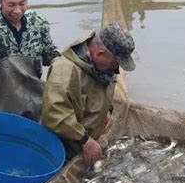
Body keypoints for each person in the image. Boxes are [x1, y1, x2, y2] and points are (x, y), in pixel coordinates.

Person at [42, 22, 135, 166]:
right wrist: (85, 141)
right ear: (99, 54)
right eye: (116, 62)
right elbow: (55, 115)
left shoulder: (103, 67)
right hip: (64, 149)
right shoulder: (64, 71)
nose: (117, 68)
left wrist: (107, 110)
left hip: (89, 140)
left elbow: (106, 89)